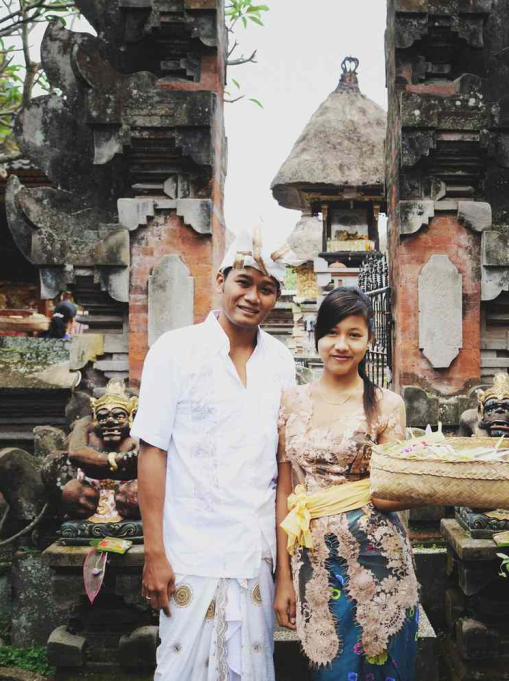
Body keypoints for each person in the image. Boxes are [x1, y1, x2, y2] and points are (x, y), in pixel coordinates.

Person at [131, 228, 298, 681]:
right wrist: (155, 554)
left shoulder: (282, 363)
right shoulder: (175, 352)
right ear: (222, 279)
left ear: (277, 296)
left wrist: (284, 572)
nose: (253, 297)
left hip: (254, 552)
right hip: (190, 551)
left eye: (266, 289)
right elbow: (152, 453)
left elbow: (285, 470)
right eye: (244, 282)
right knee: (180, 668)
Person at [274, 287, 420, 680]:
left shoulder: (388, 404)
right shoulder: (291, 401)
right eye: (332, 333)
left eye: (354, 334)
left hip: (379, 556)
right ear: (316, 337)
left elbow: (394, 492)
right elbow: (284, 491)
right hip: (312, 558)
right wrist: (282, 578)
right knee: (332, 669)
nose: (341, 345)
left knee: (385, 664)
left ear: (369, 340)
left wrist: (423, 478)